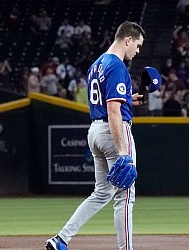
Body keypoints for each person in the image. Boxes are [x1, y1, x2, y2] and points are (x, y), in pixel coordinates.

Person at [45, 20, 146, 250]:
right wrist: (122, 151)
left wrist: (129, 98)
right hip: (114, 132)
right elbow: (112, 109)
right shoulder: (118, 66)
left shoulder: (97, 64)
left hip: (95, 131)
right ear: (127, 40)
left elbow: (106, 101)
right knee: (125, 197)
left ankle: (61, 239)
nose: (137, 51)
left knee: (101, 193)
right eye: (137, 45)